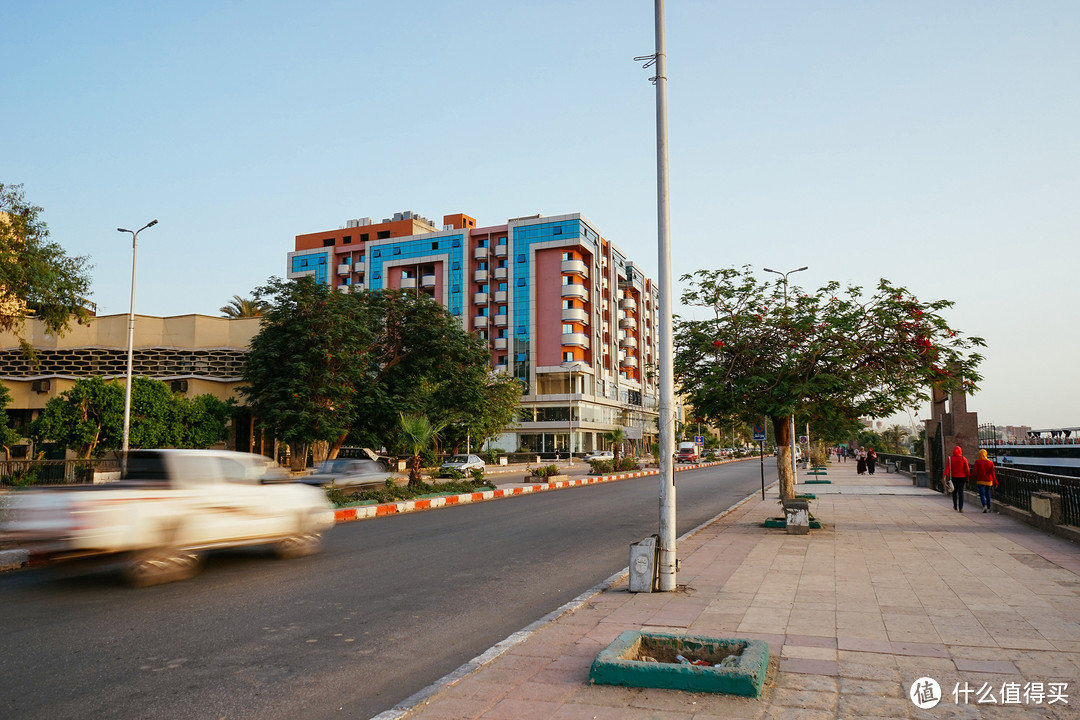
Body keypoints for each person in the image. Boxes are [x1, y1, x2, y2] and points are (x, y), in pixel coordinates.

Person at [945, 445, 970, 512]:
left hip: (954, 477)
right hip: (962, 477)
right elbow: (967, 469)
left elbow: (948, 468)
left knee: (954, 492)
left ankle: (955, 506)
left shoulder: (950, 458)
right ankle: (961, 507)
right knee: (961, 492)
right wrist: (968, 476)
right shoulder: (963, 459)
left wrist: (945, 476)